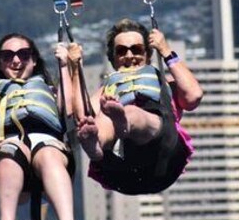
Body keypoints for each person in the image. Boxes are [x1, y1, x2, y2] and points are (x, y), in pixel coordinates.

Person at [0, 33, 80, 220]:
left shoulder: (49, 90)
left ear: (33, 61)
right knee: (11, 155)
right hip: (9, 145)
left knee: (48, 155)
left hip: (47, 143)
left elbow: (67, 109)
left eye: (23, 54)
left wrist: (66, 66)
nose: (16, 60)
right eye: (7, 56)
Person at [69, 18, 203, 195]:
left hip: (163, 161)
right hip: (122, 172)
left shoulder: (165, 83)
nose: (129, 56)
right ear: (113, 59)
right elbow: (81, 117)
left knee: (127, 112)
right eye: (121, 51)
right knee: (96, 119)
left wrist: (165, 50)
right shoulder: (105, 91)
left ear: (148, 55)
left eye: (137, 50)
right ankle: (95, 145)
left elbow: (194, 96)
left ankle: (123, 123)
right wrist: (75, 68)